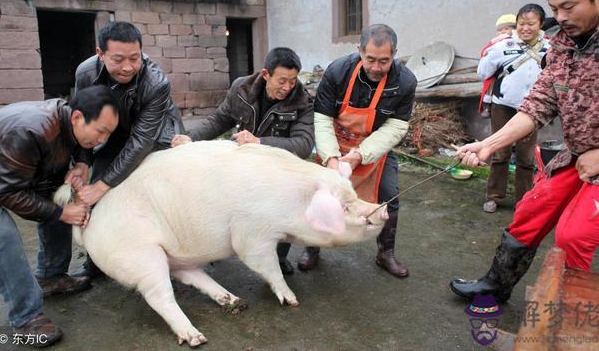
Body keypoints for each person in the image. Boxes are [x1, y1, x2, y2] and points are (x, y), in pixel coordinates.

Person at [450, 0, 599, 303]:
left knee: (574, 235)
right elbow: (538, 104)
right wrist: (488, 144)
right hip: (579, 154)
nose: (560, 17)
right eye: (554, 8)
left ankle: (572, 307)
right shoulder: (562, 44)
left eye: (569, 6)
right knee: (531, 209)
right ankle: (495, 285)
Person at [0, 85, 119, 346]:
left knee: (62, 200)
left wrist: (82, 164)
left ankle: (51, 277)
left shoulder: (67, 121)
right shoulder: (32, 131)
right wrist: (60, 212)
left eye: (109, 133)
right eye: (101, 131)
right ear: (77, 118)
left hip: (13, 172)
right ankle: (26, 318)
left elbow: (80, 146)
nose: (103, 140)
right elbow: (8, 193)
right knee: (1, 234)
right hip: (3, 182)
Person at [171, 47, 314, 275]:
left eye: (293, 80)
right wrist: (192, 138)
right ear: (266, 74)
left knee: (281, 212)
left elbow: (304, 144)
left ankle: (278, 258)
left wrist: (259, 142)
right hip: (243, 166)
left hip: (278, 168)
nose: (288, 87)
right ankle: (214, 248)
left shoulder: (302, 101)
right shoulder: (241, 87)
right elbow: (220, 119)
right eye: (282, 81)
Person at [300, 24, 417, 277]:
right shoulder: (338, 71)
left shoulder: (405, 82)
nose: (376, 67)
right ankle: (312, 248)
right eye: (370, 59)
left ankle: (385, 253)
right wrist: (331, 159)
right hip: (333, 142)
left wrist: (358, 156)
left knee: (389, 196)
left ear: (394, 54)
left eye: (384, 61)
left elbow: (396, 127)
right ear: (359, 51)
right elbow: (321, 119)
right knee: (319, 194)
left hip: (374, 147)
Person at [70, 21, 184, 278]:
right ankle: (97, 259)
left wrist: (103, 186)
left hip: (158, 134)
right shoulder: (85, 73)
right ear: (101, 53)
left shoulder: (156, 82)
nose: (128, 67)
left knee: (159, 192)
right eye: (118, 59)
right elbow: (85, 120)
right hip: (116, 132)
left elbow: (142, 140)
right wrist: (83, 162)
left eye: (135, 58)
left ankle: (172, 256)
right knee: (96, 187)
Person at [477, 4, 549, 213]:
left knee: (526, 158)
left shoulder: (550, 48)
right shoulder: (503, 45)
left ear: (541, 24)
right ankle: (494, 196)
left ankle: (523, 201)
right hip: (503, 107)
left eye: (531, 24)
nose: (525, 28)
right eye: (521, 24)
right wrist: (490, 53)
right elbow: (483, 73)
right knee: (499, 153)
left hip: (532, 109)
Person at [478, 14, 517, 118]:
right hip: (499, 75)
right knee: (491, 82)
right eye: (500, 30)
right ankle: (487, 104)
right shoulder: (495, 44)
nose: (503, 32)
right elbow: (484, 56)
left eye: (506, 28)